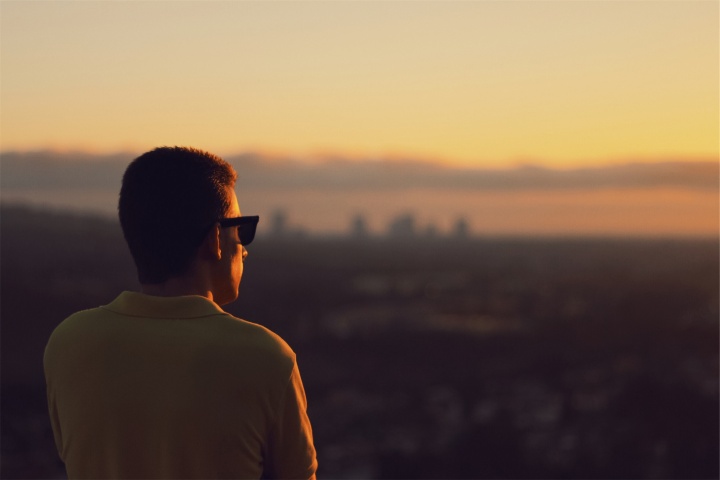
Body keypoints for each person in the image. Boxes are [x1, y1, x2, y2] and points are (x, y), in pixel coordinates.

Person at [44, 146, 317, 479]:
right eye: (241, 229)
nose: (244, 250)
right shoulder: (266, 358)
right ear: (215, 240)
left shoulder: (68, 343)